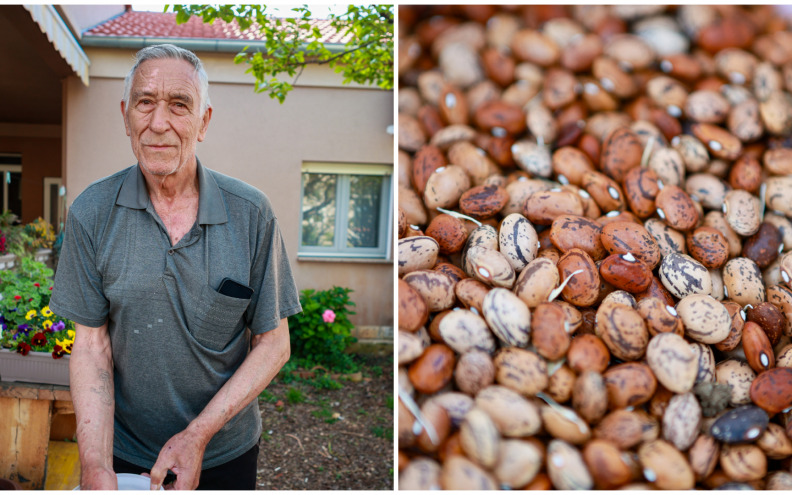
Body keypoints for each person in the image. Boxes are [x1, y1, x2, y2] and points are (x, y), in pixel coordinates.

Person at [50, 44, 302, 490]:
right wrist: (95, 464)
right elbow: (91, 347)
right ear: (126, 115)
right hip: (125, 453)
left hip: (225, 451)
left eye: (179, 105)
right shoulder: (91, 212)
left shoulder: (251, 214)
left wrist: (198, 435)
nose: (158, 122)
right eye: (145, 102)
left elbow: (273, 343)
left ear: (203, 122)